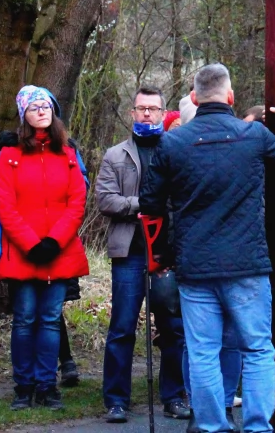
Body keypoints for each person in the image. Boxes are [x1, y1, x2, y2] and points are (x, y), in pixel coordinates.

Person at [138, 64, 275, 433]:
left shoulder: (173, 143)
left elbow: (150, 204)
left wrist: (163, 252)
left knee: (203, 352)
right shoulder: (253, 135)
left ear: (194, 98)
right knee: (258, 349)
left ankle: (213, 427)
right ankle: (258, 427)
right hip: (247, 263)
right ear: (230, 96)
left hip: (195, 265)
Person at [97, 88, 190, 424]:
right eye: (141, 108)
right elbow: (105, 199)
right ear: (132, 112)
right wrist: (143, 205)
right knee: (122, 327)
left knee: (172, 327)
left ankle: (173, 396)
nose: (147, 114)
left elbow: (186, 198)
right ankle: (116, 400)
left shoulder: (177, 151)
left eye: (153, 108)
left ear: (163, 112)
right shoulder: (116, 155)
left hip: (168, 252)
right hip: (129, 252)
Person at [0, 85, 90, 411]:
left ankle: (48, 386)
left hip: (58, 251)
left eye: (46, 106)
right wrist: (31, 244)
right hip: (24, 252)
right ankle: (24, 387)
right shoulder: (9, 155)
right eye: (34, 107)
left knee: (50, 319)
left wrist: (54, 241)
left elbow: (77, 202)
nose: (41, 110)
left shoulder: (67, 153)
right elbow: (5, 205)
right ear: (24, 114)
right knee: (24, 320)